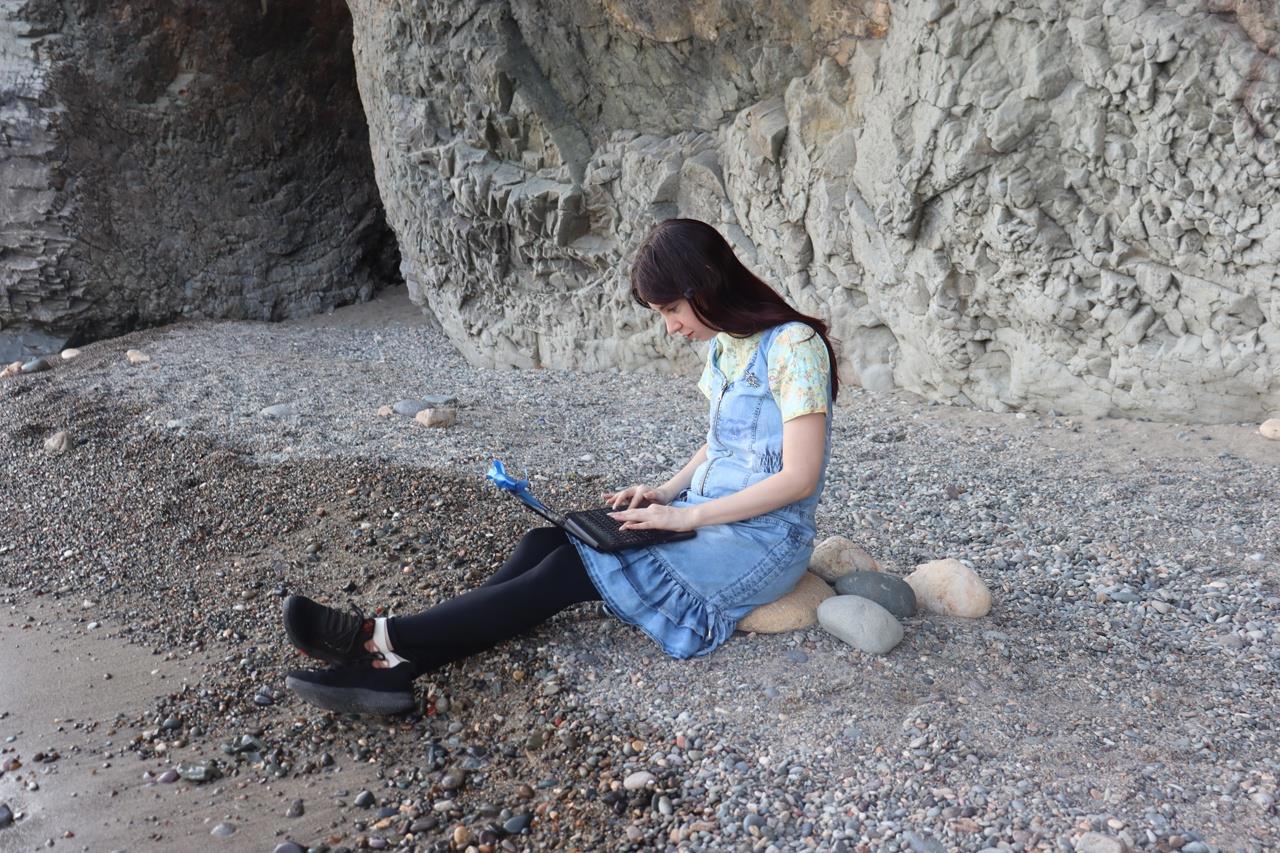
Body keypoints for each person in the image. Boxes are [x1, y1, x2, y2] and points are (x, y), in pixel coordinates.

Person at [283, 218, 840, 714]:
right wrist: (666, 493)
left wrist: (686, 518)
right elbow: (721, 444)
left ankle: (379, 639)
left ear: (707, 284)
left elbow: (799, 478)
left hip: (762, 541)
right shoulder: (726, 346)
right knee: (542, 543)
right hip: (705, 514)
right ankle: (397, 664)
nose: (671, 327)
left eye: (672, 309)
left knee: (567, 570)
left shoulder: (794, 346)